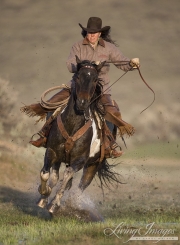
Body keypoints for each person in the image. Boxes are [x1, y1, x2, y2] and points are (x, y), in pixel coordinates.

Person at [28, 17, 140, 158]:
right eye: (89, 32)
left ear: (100, 33)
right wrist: (85, 66)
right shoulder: (77, 46)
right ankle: (44, 135)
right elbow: (70, 64)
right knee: (51, 103)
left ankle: (109, 145)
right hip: (77, 86)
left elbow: (122, 63)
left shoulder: (109, 48)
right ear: (85, 32)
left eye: (94, 32)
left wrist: (132, 64)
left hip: (101, 89)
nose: (91, 35)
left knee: (112, 113)